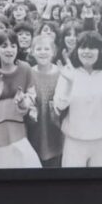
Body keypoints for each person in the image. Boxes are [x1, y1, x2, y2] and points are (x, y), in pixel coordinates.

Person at [53, 31, 102, 167]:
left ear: (100, 50)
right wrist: (69, 83)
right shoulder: (69, 71)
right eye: (82, 47)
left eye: (92, 47)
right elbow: (59, 105)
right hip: (74, 141)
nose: (87, 52)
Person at [0, 30, 41, 167]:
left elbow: (32, 96)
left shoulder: (25, 68)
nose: (9, 50)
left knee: (19, 164)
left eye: (13, 46)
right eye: (4, 46)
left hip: (17, 126)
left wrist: (23, 102)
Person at [26, 35, 64, 167]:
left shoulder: (60, 73)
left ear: (53, 52)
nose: (43, 52)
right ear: (32, 52)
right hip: (35, 128)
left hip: (55, 128)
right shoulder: (29, 73)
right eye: (39, 49)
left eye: (47, 49)